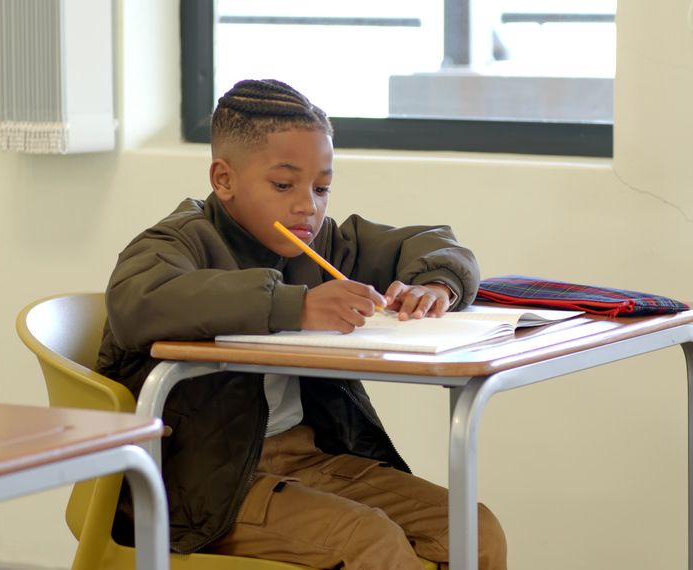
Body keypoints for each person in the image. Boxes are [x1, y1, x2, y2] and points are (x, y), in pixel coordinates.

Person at [97, 79, 506, 570]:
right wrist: (296, 306)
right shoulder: (179, 242)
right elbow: (136, 300)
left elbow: (430, 241)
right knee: (371, 543)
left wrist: (437, 284)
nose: (307, 205)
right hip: (204, 485)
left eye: (322, 187)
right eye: (283, 185)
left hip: (310, 458)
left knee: (473, 530)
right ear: (223, 179)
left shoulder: (322, 245)